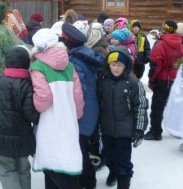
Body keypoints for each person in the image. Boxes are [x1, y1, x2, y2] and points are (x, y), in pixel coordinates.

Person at [30, 28, 84, 189]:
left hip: (49, 120)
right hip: (68, 118)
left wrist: (35, 106)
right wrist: (77, 113)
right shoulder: (69, 65)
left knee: (50, 159)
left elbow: (44, 98)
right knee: (66, 157)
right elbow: (77, 95)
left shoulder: (38, 66)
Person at [0, 45, 40, 189]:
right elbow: (31, 114)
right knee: (23, 169)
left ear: (6, 63)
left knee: (6, 170)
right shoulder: (29, 84)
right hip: (23, 137)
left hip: (1, 136)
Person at [97, 46, 149, 189]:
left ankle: (123, 182)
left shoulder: (133, 83)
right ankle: (113, 171)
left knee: (123, 161)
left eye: (119, 65)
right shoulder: (102, 81)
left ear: (126, 66)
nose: (116, 68)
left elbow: (141, 106)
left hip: (125, 131)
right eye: (113, 65)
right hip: (107, 129)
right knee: (108, 156)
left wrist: (139, 129)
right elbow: (98, 102)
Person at [61, 23, 105, 189]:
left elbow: (78, 92)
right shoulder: (86, 53)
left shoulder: (75, 62)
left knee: (80, 148)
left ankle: (86, 181)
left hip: (83, 112)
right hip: (91, 108)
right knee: (83, 146)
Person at [145, 20, 183, 141]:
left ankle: (155, 131)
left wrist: (151, 81)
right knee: (174, 105)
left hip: (162, 79)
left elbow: (155, 65)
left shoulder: (160, 45)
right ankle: (177, 130)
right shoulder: (180, 43)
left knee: (157, 106)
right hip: (176, 78)